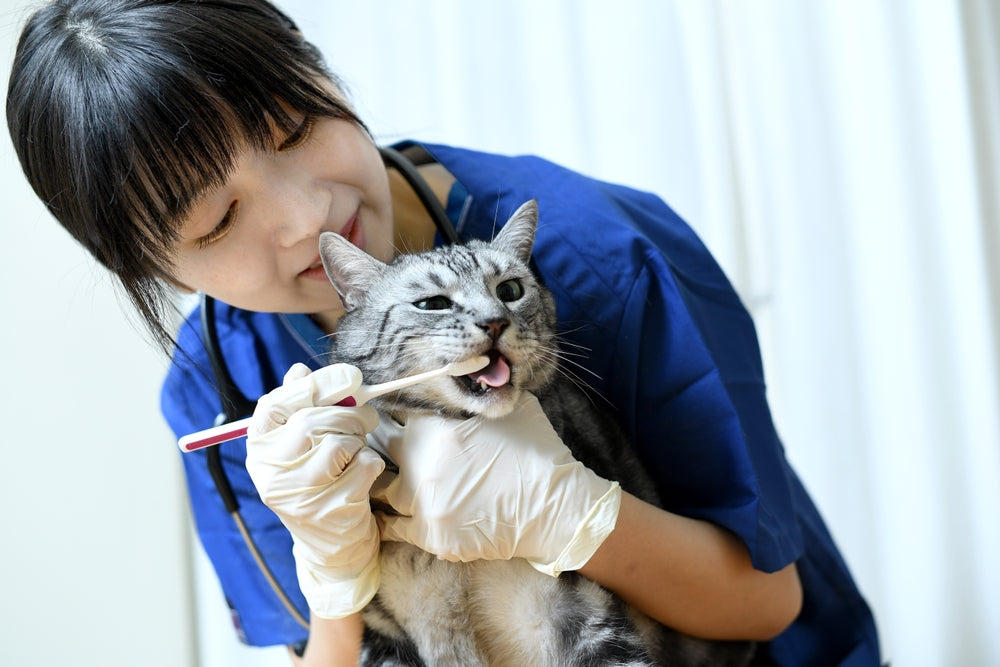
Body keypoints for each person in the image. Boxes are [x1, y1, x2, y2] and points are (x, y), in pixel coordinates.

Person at [6, 0, 881, 665]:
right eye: (217, 220)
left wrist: (573, 515)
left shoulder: (600, 252)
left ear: (323, 74)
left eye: (298, 126)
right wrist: (337, 581)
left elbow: (765, 600)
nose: (312, 215)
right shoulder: (221, 385)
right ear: (164, 269)